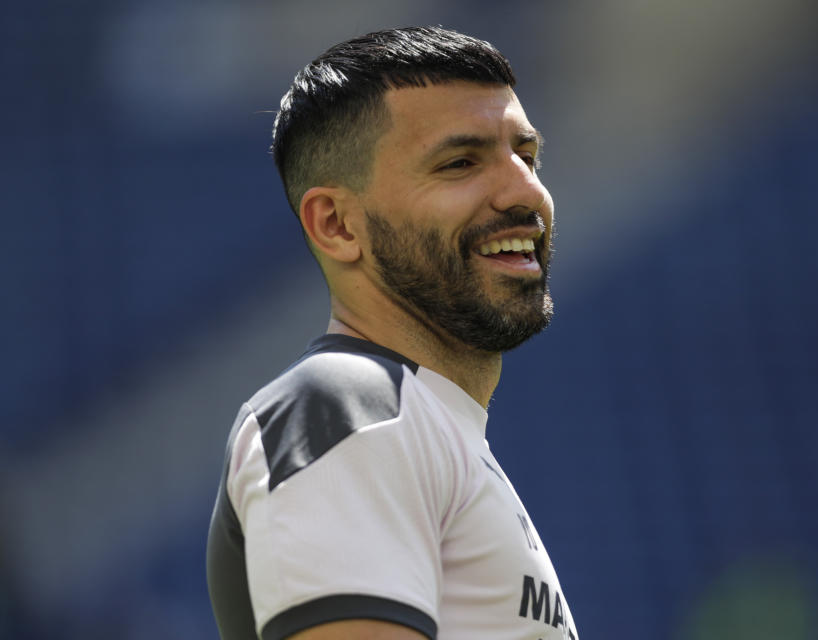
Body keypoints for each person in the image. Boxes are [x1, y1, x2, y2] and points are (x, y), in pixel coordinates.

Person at [206, 26, 578, 640]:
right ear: (336, 225)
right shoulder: (344, 406)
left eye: (528, 157)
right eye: (460, 162)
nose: (526, 191)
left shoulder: (426, 427)